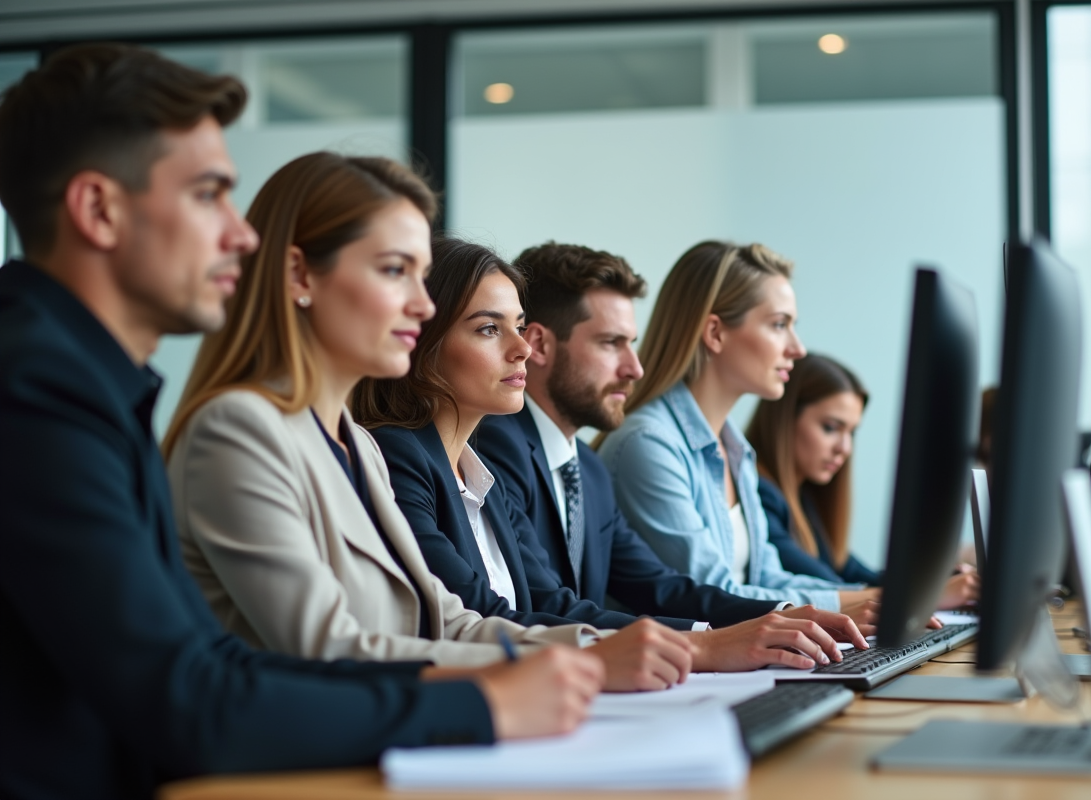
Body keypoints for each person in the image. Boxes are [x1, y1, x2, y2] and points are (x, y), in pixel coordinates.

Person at [0, 44, 599, 800]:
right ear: (98, 209)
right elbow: (188, 697)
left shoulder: (85, 384)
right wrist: (484, 700)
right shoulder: (37, 389)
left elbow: (208, 666)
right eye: (209, 194)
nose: (240, 234)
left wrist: (546, 670)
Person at [164, 152, 606, 670]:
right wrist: (567, 668)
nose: (422, 306)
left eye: (420, 276)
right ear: (300, 275)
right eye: (395, 270)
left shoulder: (359, 445)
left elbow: (448, 621)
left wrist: (593, 652)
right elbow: (329, 649)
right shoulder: (238, 430)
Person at [355, 238, 862, 682]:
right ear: (421, 340)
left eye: (519, 327)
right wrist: (703, 645)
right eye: (490, 329)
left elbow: (552, 603)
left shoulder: (485, 472)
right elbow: (482, 617)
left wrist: (763, 624)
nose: (521, 350)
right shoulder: (404, 458)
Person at [473, 241, 874, 655]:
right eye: (611, 343)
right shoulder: (496, 447)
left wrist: (785, 614)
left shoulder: (587, 468)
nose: (635, 367)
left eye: (632, 342)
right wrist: (707, 644)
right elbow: (548, 606)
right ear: (539, 345)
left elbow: (659, 586)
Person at [595, 241, 889, 624]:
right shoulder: (648, 445)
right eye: (779, 325)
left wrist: (875, 601)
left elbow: (767, 577)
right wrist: (872, 601)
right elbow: (714, 595)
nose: (797, 348)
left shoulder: (736, 450)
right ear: (715, 333)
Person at [746, 353, 980, 608]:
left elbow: (858, 574)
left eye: (851, 433)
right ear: (784, 420)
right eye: (831, 428)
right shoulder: (758, 493)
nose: (844, 448)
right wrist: (929, 594)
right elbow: (829, 585)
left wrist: (939, 581)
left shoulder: (803, 498)